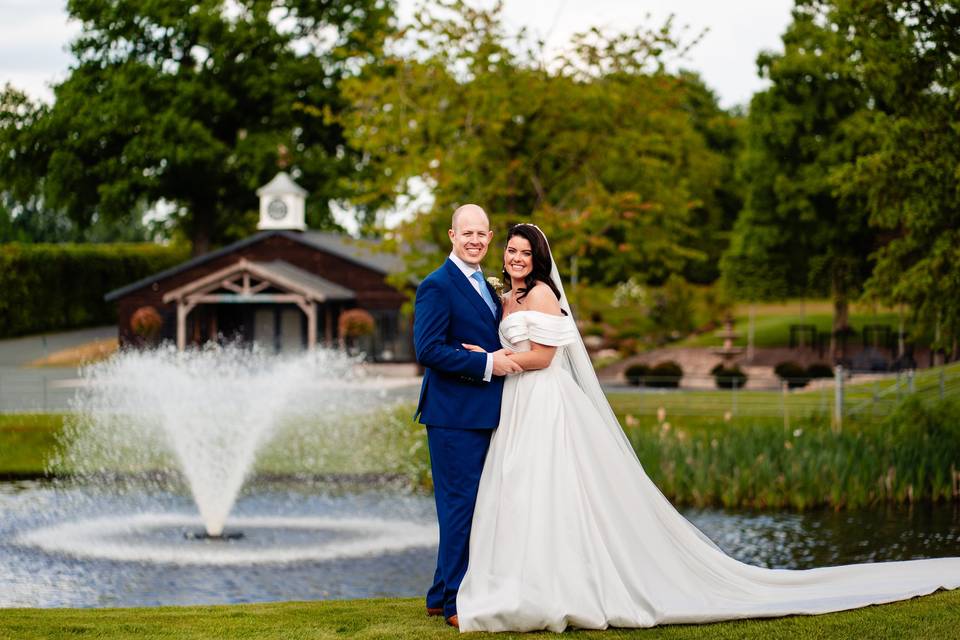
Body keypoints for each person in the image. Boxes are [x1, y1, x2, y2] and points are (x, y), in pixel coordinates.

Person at [455, 223, 960, 633]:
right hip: (517, 405)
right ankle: (525, 582)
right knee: (522, 492)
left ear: (539, 258)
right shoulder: (508, 297)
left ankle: (566, 586)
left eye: (524, 251)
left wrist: (498, 360)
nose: (515, 257)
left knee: (554, 490)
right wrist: (490, 354)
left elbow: (543, 358)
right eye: (511, 250)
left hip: (544, 402)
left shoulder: (542, 295)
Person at [413, 204, 522, 629]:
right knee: (461, 506)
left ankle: (440, 594)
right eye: (467, 233)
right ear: (452, 236)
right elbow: (428, 349)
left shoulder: (486, 286)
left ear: (490, 238)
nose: (475, 240)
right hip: (453, 414)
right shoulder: (437, 285)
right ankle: (459, 602)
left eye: (482, 234)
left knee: (470, 505)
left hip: (482, 412)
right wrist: (485, 364)